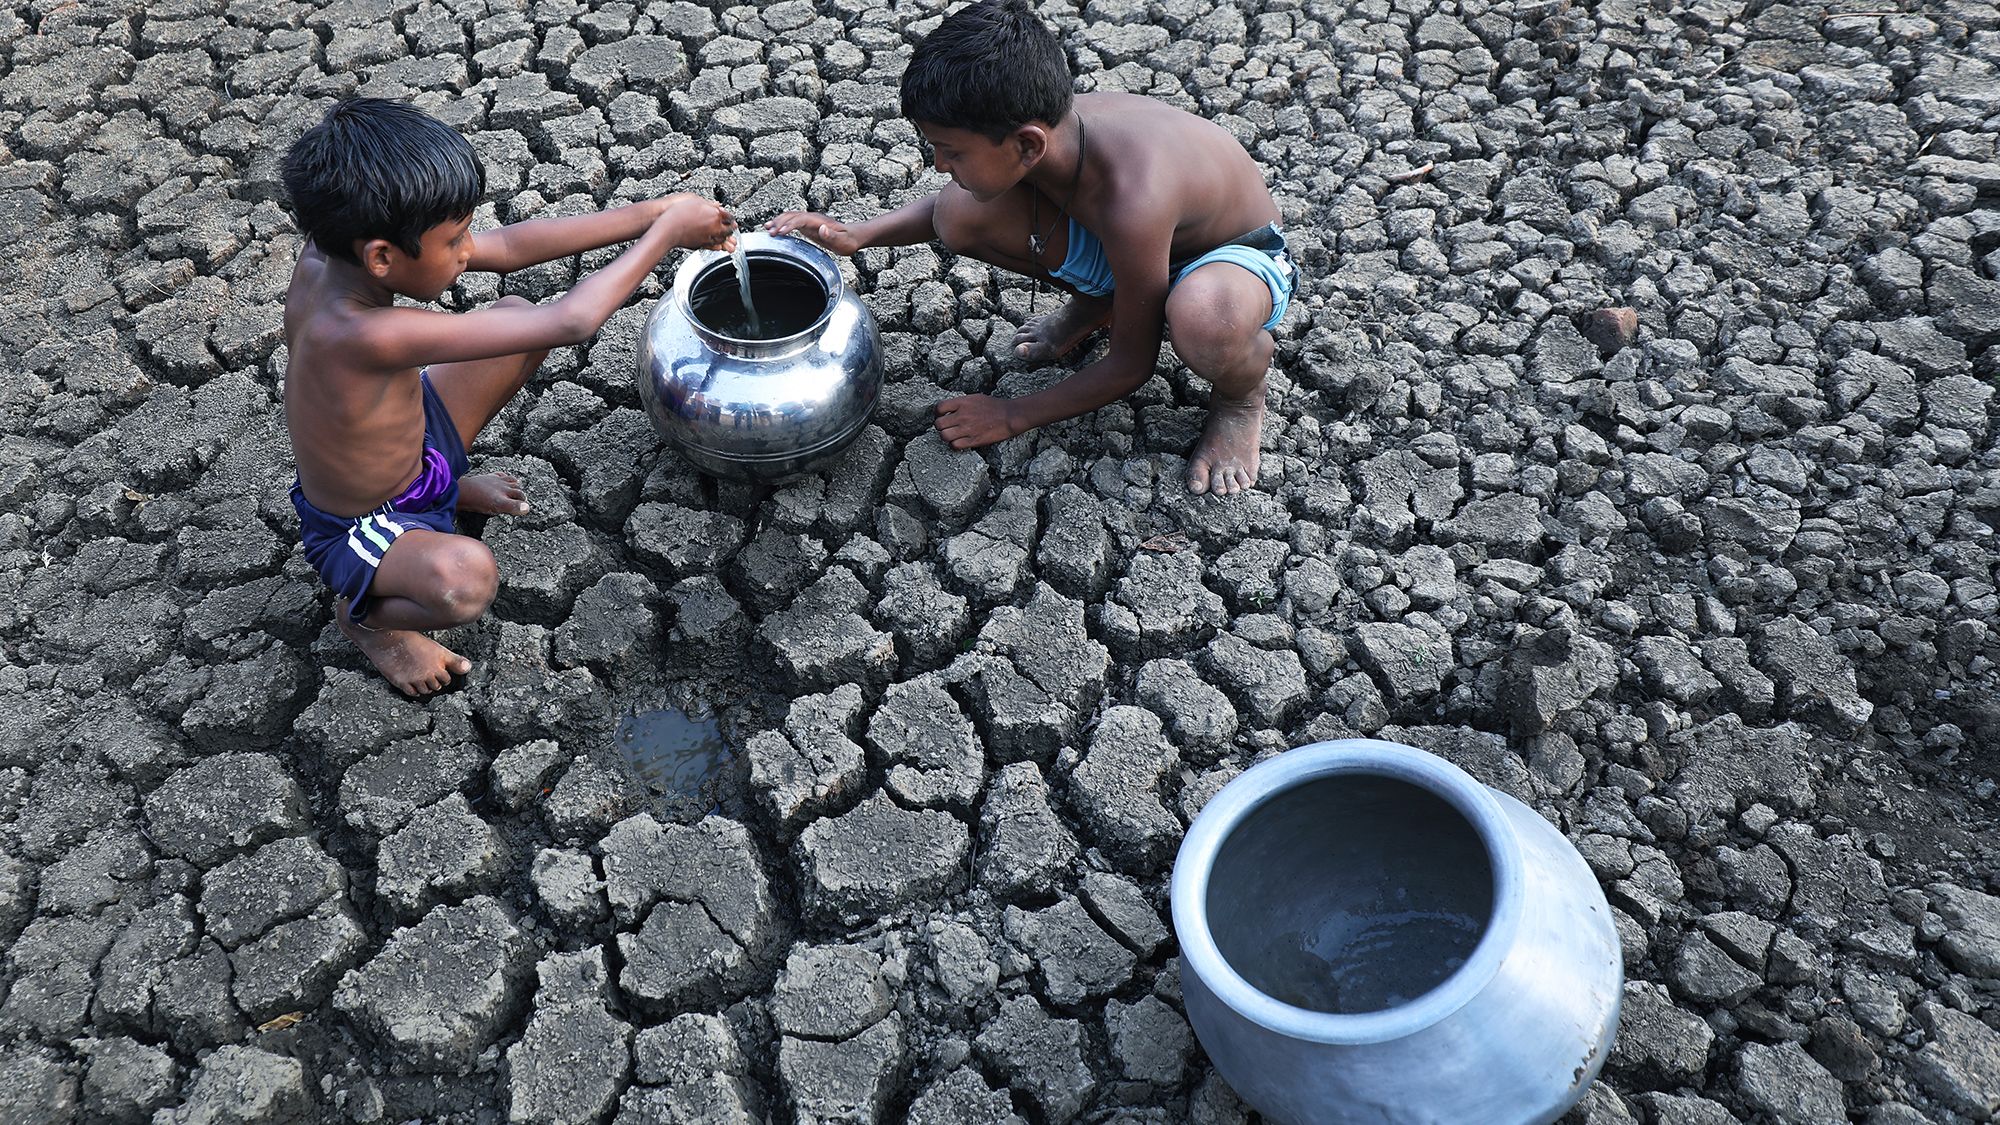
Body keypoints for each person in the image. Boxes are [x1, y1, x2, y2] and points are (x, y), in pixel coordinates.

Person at [281, 98, 735, 696]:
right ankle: (365, 618)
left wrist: (654, 210)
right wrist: (666, 236)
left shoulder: (330, 251)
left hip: (415, 451)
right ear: (383, 257)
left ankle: (442, 489)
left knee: (513, 319)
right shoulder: (360, 333)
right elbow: (572, 321)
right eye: (456, 239)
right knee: (465, 581)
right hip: (366, 522)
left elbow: (513, 247)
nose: (469, 249)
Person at [768, 0, 1296, 497]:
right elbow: (940, 208)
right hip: (1135, 249)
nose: (937, 164)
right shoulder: (1049, 133)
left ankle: (1240, 396)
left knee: (1205, 321)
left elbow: (1131, 364)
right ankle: (1103, 302)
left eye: (950, 150)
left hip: (1231, 257)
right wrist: (856, 234)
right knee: (959, 212)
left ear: (1027, 145)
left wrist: (1010, 414)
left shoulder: (1133, 197)